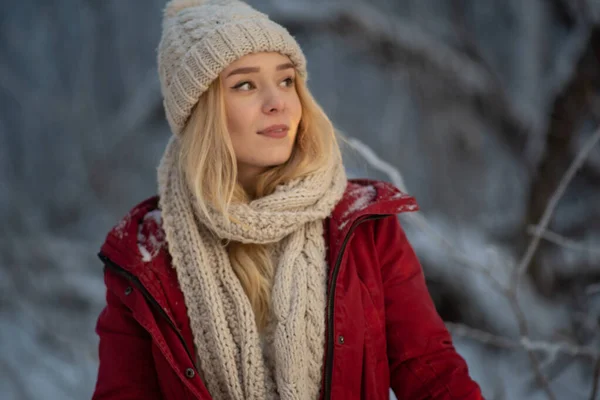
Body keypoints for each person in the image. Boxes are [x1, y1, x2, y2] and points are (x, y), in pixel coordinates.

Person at [92, 0, 484, 399]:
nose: (277, 101)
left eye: (286, 81)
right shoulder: (145, 259)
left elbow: (433, 374)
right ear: (200, 112)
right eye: (245, 84)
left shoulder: (361, 226)